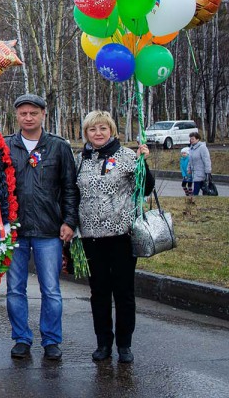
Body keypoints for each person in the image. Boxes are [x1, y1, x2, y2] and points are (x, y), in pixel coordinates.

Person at [4, 94, 78, 362]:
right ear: (17, 116)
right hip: (15, 230)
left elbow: (70, 187)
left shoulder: (58, 147)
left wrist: (69, 221)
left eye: (33, 113)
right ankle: (21, 338)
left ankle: (51, 340)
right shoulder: (6, 145)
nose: (28, 117)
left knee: (51, 289)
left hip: (49, 230)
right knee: (14, 289)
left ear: (43, 114)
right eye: (23, 113)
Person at [76, 110, 152, 364]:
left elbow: (146, 187)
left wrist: (143, 163)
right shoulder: (81, 159)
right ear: (86, 133)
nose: (98, 134)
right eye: (92, 130)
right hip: (90, 237)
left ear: (112, 131)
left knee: (123, 292)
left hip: (121, 235)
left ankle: (124, 345)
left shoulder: (127, 156)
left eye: (103, 129)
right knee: (98, 292)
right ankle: (103, 343)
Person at [187, 131, 212, 199]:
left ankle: (192, 199)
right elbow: (190, 160)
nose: (191, 140)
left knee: (196, 188)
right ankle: (206, 197)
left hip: (201, 171)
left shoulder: (202, 148)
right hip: (195, 172)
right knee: (202, 187)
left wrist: (208, 171)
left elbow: (206, 160)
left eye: (193, 139)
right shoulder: (191, 148)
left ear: (197, 139)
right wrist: (189, 169)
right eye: (190, 139)